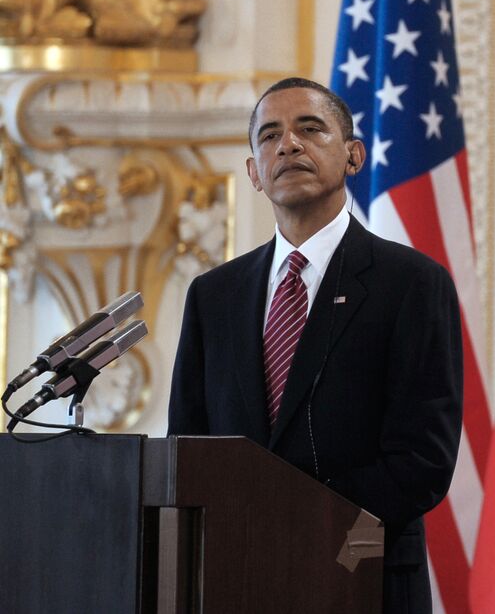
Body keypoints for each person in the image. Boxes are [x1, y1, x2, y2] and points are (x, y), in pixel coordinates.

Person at [168, 77, 464, 614]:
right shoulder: (214, 295)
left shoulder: (412, 284)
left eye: (310, 129)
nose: (289, 145)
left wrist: (300, 523)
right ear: (254, 173)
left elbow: (423, 461)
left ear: (353, 155)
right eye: (270, 135)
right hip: (237, 579)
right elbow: (189, 447)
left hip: (358, 573)